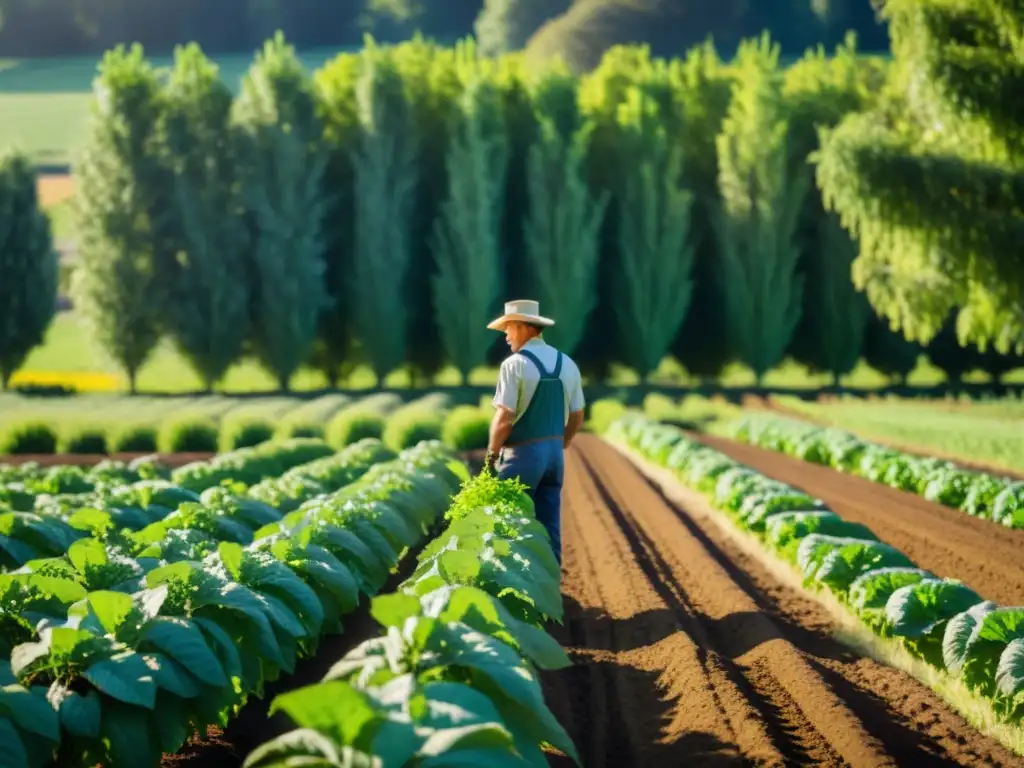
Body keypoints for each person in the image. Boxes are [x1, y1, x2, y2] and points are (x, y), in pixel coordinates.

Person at [484, 299, 585, 567]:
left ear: (524, 327)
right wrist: (561, 442)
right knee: (549, 525)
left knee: (508, 523)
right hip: (554, 458)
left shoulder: (514, 364)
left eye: (508, 328)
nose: (505, 336)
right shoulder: (568, 363)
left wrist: (491, 454)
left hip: (523, 456)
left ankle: (515, 592)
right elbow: (578, 415)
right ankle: (550, 590)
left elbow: (504, 417)